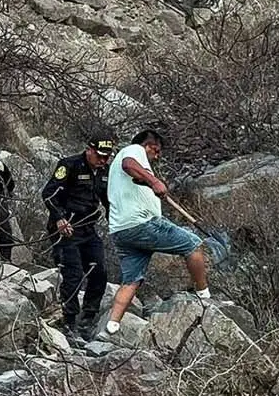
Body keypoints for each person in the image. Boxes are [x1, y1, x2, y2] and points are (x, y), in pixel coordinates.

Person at [103, 127, 211, 335]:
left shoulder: (128, 165)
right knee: (193, 245)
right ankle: (205, 296)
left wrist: (150, 185)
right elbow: (129, 165)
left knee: (131, 280)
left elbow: (132, 174)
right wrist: (153, 180)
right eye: (157, 151)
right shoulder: (134, 150)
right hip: (142, 224)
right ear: (150, 145)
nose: (158, 156)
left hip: (121, 231)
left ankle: (110, 327)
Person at [42, 137, 116, 337]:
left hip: (88, 229)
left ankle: (88, 318)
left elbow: (108, 201)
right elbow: (49, 194)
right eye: (100, 156)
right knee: (72, 274)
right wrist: (59, 218)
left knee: (99, 272)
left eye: (106, 157)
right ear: (89, 150)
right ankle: (69, 322)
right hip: (66, 228)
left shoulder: (104, 171)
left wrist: (116, 224)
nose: (103, 161)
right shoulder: (69, 165)